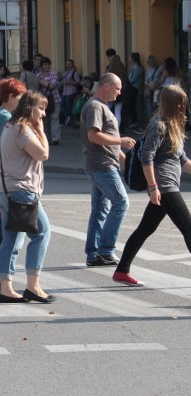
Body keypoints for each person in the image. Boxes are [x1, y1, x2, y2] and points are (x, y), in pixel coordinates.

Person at [113, 85, 191, 287]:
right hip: (164, 186)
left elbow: (182, 160)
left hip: (168, 184)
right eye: (182, 102)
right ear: (174, 103)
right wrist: (153, 186)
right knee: (188, 228)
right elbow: (146, 156)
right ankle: (122, 270)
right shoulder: (159, 125)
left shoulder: (173, 126)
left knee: (145, 228)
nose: (185, 106)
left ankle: (122, 270)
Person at [0, 90, 54, 304]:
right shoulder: (23, 129)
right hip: (21, 190)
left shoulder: (10, 126)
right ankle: (33, 285)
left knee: (11, 238)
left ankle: (6, 288)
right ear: (29, 108)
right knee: (42, 233)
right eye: (41, 108)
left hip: (6, 189)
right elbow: (43, 154)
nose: (43, 114)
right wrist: (42, 131)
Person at [80, 73, 136, 267]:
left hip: (101, 163)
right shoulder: (96, 106)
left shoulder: (101, 106)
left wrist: (127, 162)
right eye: (117, 88)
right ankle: (105, 250)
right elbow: (94, 136)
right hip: (101, 165)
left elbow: (109, 143)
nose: (119, 92)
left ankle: (94, 254)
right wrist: (121, 140)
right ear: (105, 86)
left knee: (99, 210)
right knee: (121, 203)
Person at [0, 78, 27, 299]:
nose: (22, 101)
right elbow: (2, 148)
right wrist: (6, 175)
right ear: (10, 97)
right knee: (2, 224)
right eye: (19, 97)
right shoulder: (5, 117)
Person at [37, 57, 61, 145]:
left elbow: (52, 85)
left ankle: (56, 139)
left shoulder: (54, 73)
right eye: (45, 65)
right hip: (43, 100)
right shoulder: (38, 75)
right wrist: (43, 83)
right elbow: (37, 87)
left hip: (55, 98)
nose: (47, 66)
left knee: (55, 118)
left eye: (48, 64)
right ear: (42, 66)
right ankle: (47, 139)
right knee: (45, 119)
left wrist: (41, 83)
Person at [105, 48, 128, 129]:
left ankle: (104, 127)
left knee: (106, 108)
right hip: (121, 91)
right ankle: (116, 130)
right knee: (118, 111)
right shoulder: (122, 67)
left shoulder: (110, 68)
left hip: (111, 91)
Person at [59, 59, 81, 127]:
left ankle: (70, 119)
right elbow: (59, 78)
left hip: (71, 91)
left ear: (72, 64)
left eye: (69, 64)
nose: (68, 65)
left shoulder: (75, 72)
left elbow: (77, 82)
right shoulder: (65, 72)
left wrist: (69, 82)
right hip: (65, 92)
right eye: (67, 64)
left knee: (69, 106)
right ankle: (68, 116)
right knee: (61, 105)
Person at [126, 52, 144, 129]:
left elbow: (132, 80)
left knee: (132, 105)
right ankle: (133, 121)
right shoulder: (134, 68)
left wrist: (128, 80)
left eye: (130, 57)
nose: (129, 59)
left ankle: (134, 122)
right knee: (130, 105)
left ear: (133, 58)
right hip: (131, 88)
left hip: (134, 89)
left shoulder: (138, 68)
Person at [144, 55, 164, 119]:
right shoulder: (148, 70)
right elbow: (146, 81)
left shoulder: (160, 68)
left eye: (152, 62)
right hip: (150, 90)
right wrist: (148, 86)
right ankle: (151, 121)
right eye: (149, 62)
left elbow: (163, 78)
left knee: (157, 107)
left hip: (158, 89)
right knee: (150, 108)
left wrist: (156, 84)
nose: (151, 63)